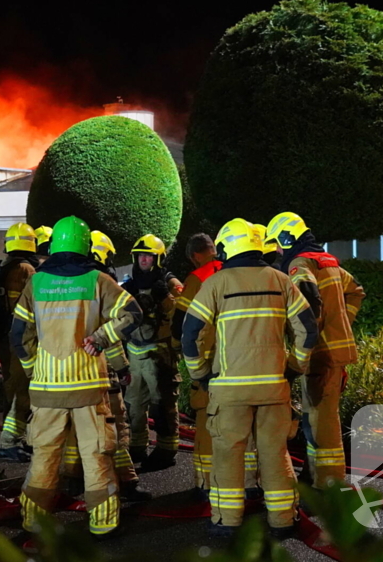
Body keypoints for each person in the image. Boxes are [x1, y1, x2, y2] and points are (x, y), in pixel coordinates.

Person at [180, 218, 318, 539]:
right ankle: (283, 520)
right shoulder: (281, 280)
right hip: (273, 388)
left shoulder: (216, 283)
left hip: (229, 391)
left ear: (227, 246)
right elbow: (307, 328)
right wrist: (294, 367)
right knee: (274, 453)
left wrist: (200, 373)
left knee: (228, 452)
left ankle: (226, 521)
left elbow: (190, 334)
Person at [10, 216, 143, 537]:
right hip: (89, 389)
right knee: (96, 456)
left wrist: (34, 369)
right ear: (86, 246)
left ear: (54, 247)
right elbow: (133, 314)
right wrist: (100, 338)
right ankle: (103, 524)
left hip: (46, 389)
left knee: (44, 458)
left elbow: (18, 335)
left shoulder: (36, 283)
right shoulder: (98, 280)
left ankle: (33, 522)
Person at [266, 211, 364, 491]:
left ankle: (328, 483)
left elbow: (309, 304)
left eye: (278, 243)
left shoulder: (300, 264)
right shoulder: (327, 261)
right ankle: (313, 475)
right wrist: (342, 320)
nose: (276, 249)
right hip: (335, 352)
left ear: (287, 238)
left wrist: (305, 342)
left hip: (320, 353)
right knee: (315, 416)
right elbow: (356, 291)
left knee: (322, 422)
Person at [62, 229, 150, 501]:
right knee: (115, 424)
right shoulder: (100, 284)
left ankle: (71, 479)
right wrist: (122, 368)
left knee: (74, 428)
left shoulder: (60, 284)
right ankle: (125, 482)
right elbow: (109, 332)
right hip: (98, 371)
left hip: (63, 372)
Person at [122, 234, 183, 470]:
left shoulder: (169, 283)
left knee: (163, 404)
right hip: (135, 353)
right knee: (134, 404)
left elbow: (181, 313)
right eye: (140, 256)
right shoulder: (132, 283)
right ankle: (137, 446)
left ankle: (166, 450)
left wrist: (165, 297)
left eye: (148, 255)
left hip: (161, 354)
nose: (144, 260)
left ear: (158, 259)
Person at [171, 233, 222, 500]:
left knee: (205, 422)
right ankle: (249, 483)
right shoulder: (232, 271)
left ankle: (205, 484)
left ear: (195, 255)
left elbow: (180, 323)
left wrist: (174, 346)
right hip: (238, 361)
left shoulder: (197, 278)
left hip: (208, 360)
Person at [0, 223, 40, 461]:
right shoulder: (25, 269)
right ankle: (9, 442)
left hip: (6, 336)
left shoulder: (5, 267)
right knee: (21, 389)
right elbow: (32, 308)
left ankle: (13, 437)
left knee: (11, 385)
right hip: (20, 338)